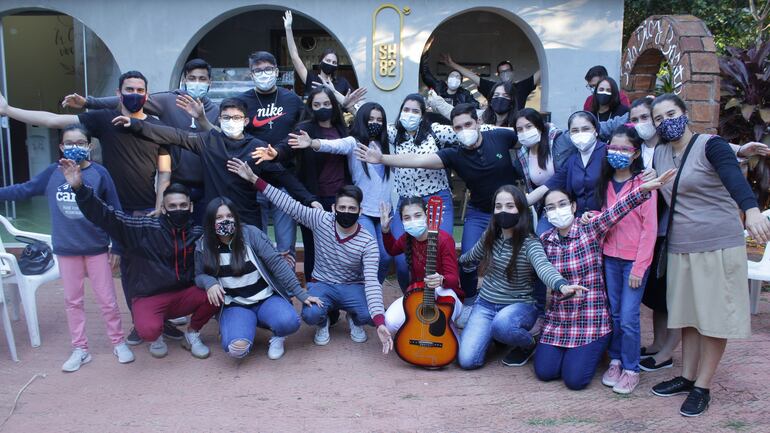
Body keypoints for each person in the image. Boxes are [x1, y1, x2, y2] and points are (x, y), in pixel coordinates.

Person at [0, 71, 179, 345]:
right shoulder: (102, 120)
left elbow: (164, 173)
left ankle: (161, 321)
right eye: (128, 88)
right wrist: (8, 110)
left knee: (158, 269)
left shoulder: (156, 126)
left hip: (148, 211)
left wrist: (158, 205)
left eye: (139, 89)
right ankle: (138, 325)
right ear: (118, 93)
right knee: (129, 274)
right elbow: (52, 120)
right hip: (116, 213)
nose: (134, 93)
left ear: (147, 93)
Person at [649, 94, 770, 417]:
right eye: (659, 118)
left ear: (685, 114)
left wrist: (752, 211)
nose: (666, 121)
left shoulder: (710, 146)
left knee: (714, 318)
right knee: (688, 315)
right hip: (681, 246)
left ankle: (703, 385)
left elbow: (733, 177)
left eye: (671, 113)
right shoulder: (659, 153)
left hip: (717, 243)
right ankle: (687, 377)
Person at [356, 103, 524, 325]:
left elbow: (529, 137)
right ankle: (470, 302)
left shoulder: (500, 136)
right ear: (453, 130)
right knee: (466, 259)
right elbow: (417, 160)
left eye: (468, 124)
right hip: (479, 211)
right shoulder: (454, 155)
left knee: (521, 256)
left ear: (479, 123)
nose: (464, 130)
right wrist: (382, 158)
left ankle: (529, 306)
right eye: (458, 127)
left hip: (512, 209)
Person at [0, 124, 133, 371]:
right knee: (73, 301)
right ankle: (80, 348)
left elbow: (115, 210)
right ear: (61, 146)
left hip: (96, 248)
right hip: (66, 250)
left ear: (90, 146)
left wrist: (118, 246)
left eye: (80, 143)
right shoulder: (53, 173)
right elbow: (23, 190)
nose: (75, 147)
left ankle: (117, 341)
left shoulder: (100, 173)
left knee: (107, 300)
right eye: (69, 143)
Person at [227, 158, 393, 353]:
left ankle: (354, 317)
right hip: (323, 283)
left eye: (352, 209)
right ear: (333, 208)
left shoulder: (368, 241)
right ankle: (323, 323)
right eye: (342, 208)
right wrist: (254, 178)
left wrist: (380, 322)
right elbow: (288, 204)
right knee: (311, 314)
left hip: (352, 286)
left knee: (371, 315)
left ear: (360, 211)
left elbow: (372, 282)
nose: (346, 212)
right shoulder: (321, 219)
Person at [533, 169, 675, 390]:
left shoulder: (589, 229)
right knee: (545, 372)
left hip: (590, 320)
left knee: (575, 380)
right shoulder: (545, 240)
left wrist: (642, 190)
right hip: (559, 320)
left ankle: (609, 358)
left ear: (573, 206)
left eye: (562, 204)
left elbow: (616, 210)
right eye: (550, 208)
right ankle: (572, 353)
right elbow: (538, 266)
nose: (556, 211)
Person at [62, 161, 218, 360]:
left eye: (182, 205)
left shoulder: (197, 233)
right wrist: (79, 189)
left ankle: (192, 333)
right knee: (148, 331)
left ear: (191, 206)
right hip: (150, 296)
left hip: (182, 294)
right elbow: (107, 216)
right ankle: (157, 337)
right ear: (163, 207)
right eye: (172, 206)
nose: (178, 209)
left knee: (216, 294)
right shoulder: (143, 228)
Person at [111, 97, 318, 228]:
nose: (231, 121)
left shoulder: (258, 147)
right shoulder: (208, 141)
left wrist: (309, 200)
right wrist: (137, 124)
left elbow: (284, 176)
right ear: (219, 119)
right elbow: (174, 135)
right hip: (214, 219)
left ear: (246, 121)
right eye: (226, 117)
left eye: (236, 117)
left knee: (253, 267)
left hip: (247, 220)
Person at [63, 58, 220, 225]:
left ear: (210, 81)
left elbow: (221, 140)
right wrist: (89, 102)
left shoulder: (217, 110)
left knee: (204, 232)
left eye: (202, 79)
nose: (197, 83)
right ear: (184, 80)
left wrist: (203, 120)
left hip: (206, 186)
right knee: (175, 234)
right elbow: (130, 97)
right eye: (192, 78)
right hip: (176, 185)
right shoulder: (169, 101)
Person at [457, 185, 580, 370]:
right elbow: (470, 257)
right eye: (498, 207)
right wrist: (449, 261)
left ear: (521, 210)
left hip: (518, 307)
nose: (503, 211)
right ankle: (498, 336)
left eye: (510, 206)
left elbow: (543, 267)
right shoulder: (490, 236)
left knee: (502, 324)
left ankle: (529, 343)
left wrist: (561, 285)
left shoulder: (530, 243)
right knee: (467, 360)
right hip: (485, 305)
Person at [270, 102, 393, 282]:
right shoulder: (353, 142)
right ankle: (361, 297)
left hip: (386, 213)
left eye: (379, 120)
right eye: (370, 119)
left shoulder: (389, 143)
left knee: (386, 257)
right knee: (370, 257)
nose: (375, 123)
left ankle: (370, 291)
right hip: (364, 211)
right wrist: (312, 142)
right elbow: (333, 145)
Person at [194, 197, 322, 360]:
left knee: (289, 322)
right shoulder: (204, 245)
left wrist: (301, 294)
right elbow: (199, 275)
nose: (225, 221)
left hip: (266, 298)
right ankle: (242, 325)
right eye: (219, 218)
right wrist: (209, 282)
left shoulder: (250, 234)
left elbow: (278, 264)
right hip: (235, 303)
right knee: (236, 350)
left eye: (229, 216)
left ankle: (277, 337)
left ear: (235, 217)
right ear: (210, 221)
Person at [588, 124, 658, 394]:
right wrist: (591, 218)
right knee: (615, 315)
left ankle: (631, 369)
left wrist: (640, 267)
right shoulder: (604, 182)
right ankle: (615, 360)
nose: (618, 153)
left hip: (634, 262)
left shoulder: (645, 184)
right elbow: (606, 217)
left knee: (629, 317)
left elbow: (649, 229)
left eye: (624, 149)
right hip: (609, 259)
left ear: (635, 153)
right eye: (613, 148)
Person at [381, 197, 462, 333]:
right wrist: (385, 230)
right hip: (418, 292)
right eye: (407, 218)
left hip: (445, 291)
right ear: (402, 221)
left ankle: (446, 329)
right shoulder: (407, 238)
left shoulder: (445, 240)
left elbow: (453, 279)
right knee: (390, 322)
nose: (413, 221)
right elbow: (392, 250)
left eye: (418, 215)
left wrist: (442, 279)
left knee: (439, 321)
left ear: (427, 216)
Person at [526, 111, 606, 234]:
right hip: (578, 221)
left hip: (603, 219)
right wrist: (517, 203)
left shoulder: (608, 153)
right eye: (575, 130)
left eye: (585, 129)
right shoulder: (573, 160)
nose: (580, 134)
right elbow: (548, 185)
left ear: (596, 130)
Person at [283, 11, 353, 101]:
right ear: (320, 62)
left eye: (334, 62)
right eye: (327, 60)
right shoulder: (311, 79)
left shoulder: (342, 82)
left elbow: (352, 103)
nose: (330, 63)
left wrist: (339, 96)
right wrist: (288, 29)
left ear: (337, 66)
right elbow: (294, 57)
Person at [442, 55, 540, 111]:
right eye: (502, 72)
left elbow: (541, 72)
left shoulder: (522, 87)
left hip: (514, 128)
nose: (505, 74)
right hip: (494, 127)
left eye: (507, 71)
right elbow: (472, 75)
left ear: (512, 72)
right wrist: (452, 64)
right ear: (498, 74)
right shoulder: (492, 87)